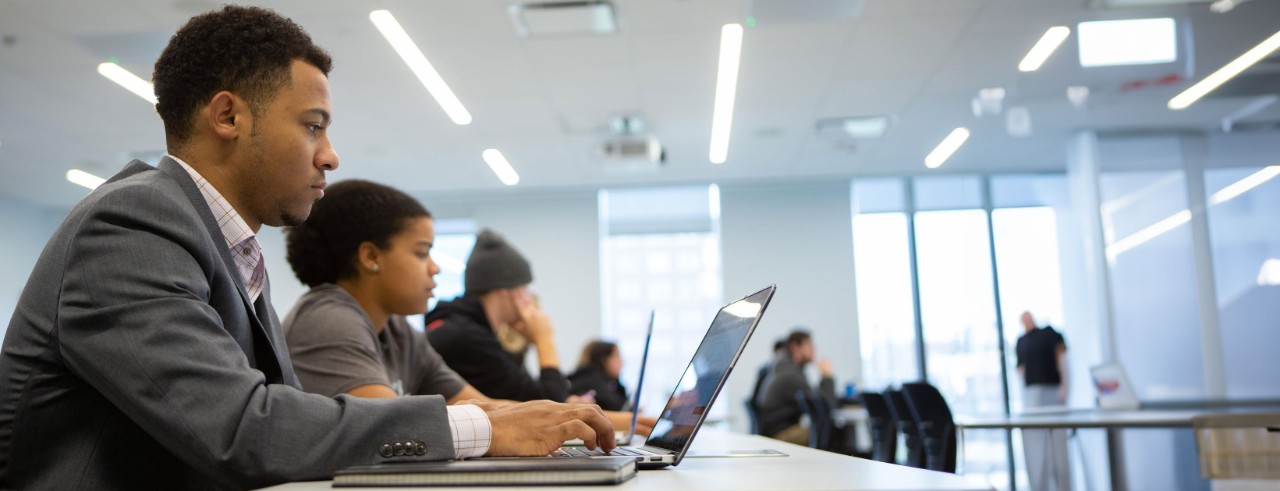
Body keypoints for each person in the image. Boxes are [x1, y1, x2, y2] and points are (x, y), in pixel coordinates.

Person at [0, 6, 613, 489]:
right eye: (313, 125)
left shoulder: (223, 245)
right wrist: (479, 427)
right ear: (228, 116)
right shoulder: (133, 222)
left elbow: (275, 419)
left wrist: (502, 419)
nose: (330, 154)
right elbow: (245, 431)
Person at [281, 180, 652, 434]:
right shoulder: (328, 318)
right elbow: (390, 428)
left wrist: (608, 421)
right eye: (422, 252)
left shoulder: (396, 332)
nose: (436, 267)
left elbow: (484, 408)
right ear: (371, 257)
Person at [425, 229, 570, 402]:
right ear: (506, 290)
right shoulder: (469, 339)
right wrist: (544, 339)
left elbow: (515, 390)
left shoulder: (465, 328)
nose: (528, 298)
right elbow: (548, 406)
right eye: (524, 288)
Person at [1015, 311, 1071, 491]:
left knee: (1058, 448)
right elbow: (1020, 370)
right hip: (1032, 397)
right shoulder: (1021, 342)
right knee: (1037, 450)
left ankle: (1063, 487)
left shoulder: (1049, 334)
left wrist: (1064, 386)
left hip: (1052, 392)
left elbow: (1061, 357)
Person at [756, 329, 836, 445]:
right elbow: (823, 406)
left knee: (819, 429)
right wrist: (827, 376)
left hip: (772, 432)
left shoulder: (785, 368)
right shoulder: (790, 375)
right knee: (825, 430)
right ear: (795, 348)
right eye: (809, 345)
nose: (814, 349)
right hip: (777, 436)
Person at [568, 340, 629, 411]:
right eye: (617, 356)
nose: (621, 361)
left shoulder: (608, 384)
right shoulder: (590, 381)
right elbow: (617, 406)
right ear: (604, 360)